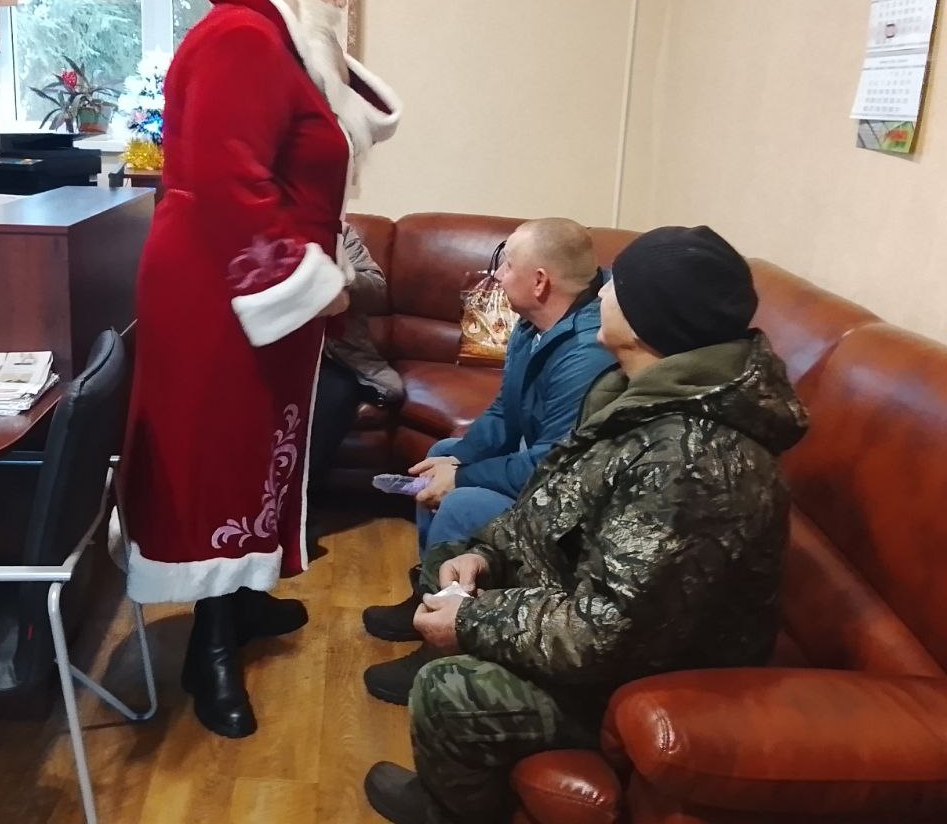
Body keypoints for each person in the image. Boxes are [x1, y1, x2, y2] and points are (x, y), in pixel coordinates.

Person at [362, 225, 809, 824]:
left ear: (650, 319)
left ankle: (447, 809)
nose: (599, 292)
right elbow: (556, 503)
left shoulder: (688, 462)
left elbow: (610, 633)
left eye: (617, 286)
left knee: (451, 689)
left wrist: (472, 620)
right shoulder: (633, 395)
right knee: (463, 551)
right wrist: (486, 555)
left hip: (648, 674)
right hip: (591, 613)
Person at [118, 0, 402, 739]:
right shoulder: (239, 40)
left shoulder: (279, 43)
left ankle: (240, 599)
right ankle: (209, 646)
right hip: (221, 294)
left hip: (253, 294)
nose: (341, 0)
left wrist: (315, 281)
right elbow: (226, 184)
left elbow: (336, 131)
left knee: (259, 452)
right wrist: (313, 281)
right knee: (221, 456)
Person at [361, 219, 616, 704]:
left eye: (506, 264)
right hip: (544, 469)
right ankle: (430, 593)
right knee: (440, 455)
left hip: (568, 503)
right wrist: (456, 461)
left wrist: (462, 479)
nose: (496, 274)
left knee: (461, 504)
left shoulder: (586, 353)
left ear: (540, 281)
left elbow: (554, 465)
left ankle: (443, 646)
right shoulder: (534, 323)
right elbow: (504, 412)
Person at [309, 221, 404, 483]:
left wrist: (336, 276)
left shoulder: (339, 232)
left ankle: (305, 495)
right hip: (273, 355)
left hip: (334, 358)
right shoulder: (258, 229)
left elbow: (377, 289)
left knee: (335, 394)